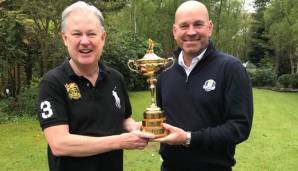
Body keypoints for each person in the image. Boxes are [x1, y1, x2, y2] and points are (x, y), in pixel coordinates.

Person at [37, 1, 153, 171]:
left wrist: (136, 127)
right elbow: (60, 144)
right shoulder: (52, 83)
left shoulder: (115, 78)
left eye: (91, 34)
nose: (85, 41)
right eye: (77, 34)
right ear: (65, 38)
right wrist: (120, 141)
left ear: (103, 38)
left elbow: (124, 118)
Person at [154, 1, 253, 171]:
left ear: (210, 27)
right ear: (174, 31)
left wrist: (189, 138)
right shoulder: (164, 71)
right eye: (184, 26)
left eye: (198, 24)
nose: (191, 32)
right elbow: (162, 118)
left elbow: (240, 127)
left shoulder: (231, 68)